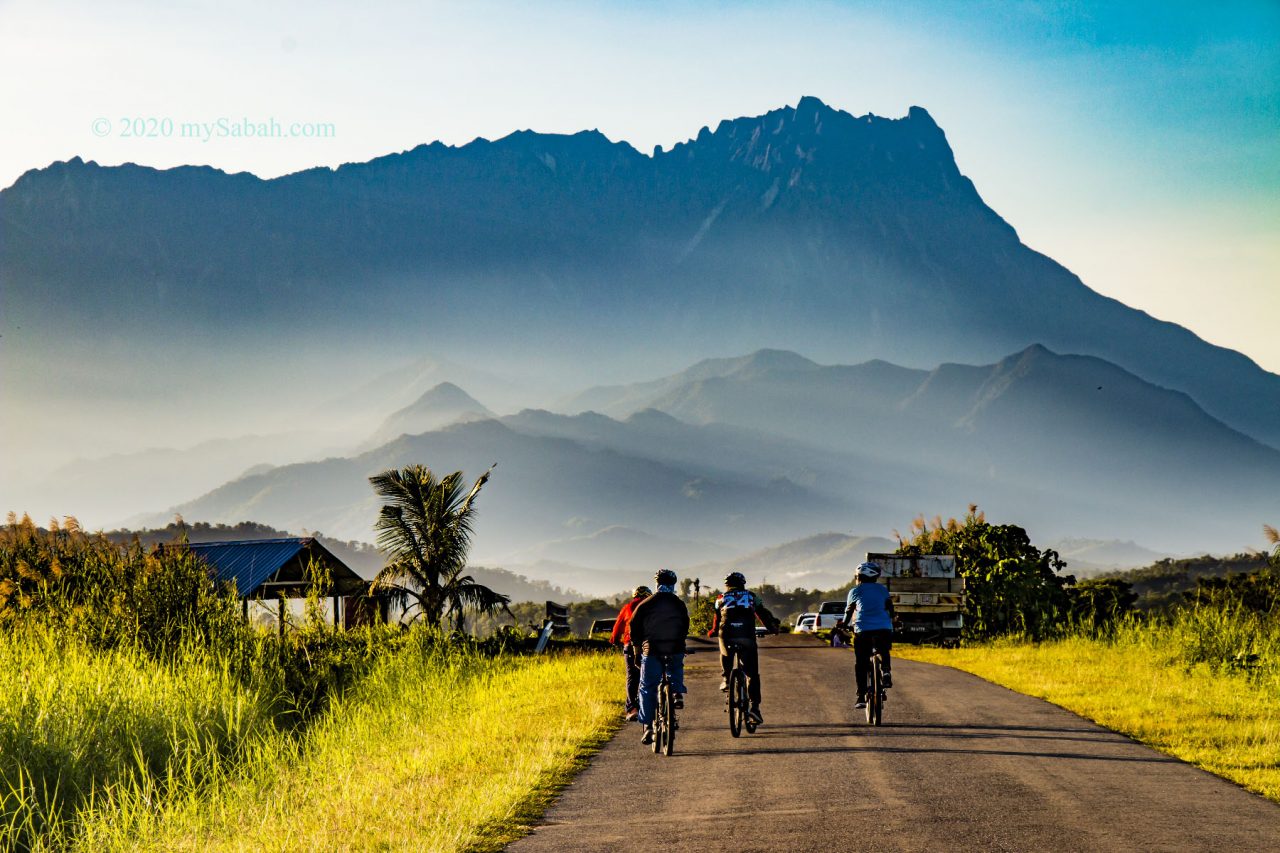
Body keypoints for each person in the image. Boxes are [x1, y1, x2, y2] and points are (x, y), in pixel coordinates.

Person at [707, 571, 779, 725]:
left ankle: (726, 678)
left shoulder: (720, 598)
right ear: (743, 584)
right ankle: (755, 708)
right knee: (752, 673)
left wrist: (713, 631)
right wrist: (772, 628)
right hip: (746, 636)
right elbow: (763, 614)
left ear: (727, 585)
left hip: (726, 634)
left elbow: (717, 618)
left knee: (724, 649)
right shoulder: (751, 597)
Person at [629, 569, 690, 745]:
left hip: (652, 649)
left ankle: (648, 727)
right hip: (675, 647)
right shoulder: (678, 603)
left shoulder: (646, 603)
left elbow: (634, 626)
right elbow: (685, 625)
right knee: (676, 666)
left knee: (647, 686)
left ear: (656, 584)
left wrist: (637, 650)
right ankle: (677, 693)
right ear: (673, 585)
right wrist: (681, 642)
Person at [843, 561, 895, 709]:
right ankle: (885, 671)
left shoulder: (855, 591)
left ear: (860, 576)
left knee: (861, 662)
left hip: (863, 630)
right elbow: (890, 608)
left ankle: (860, 696)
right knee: (884, 649)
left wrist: (843, 626)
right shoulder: (882, 590)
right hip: (884, 628)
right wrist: (894, 620)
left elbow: (848, 612)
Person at [610, 584, 651, 721]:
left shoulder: (627, 607)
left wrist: (615, 640)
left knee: (632, 676)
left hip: (630, 644)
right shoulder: (651, 606)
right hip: (650, 644)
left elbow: (618, 627)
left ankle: (632, 708)